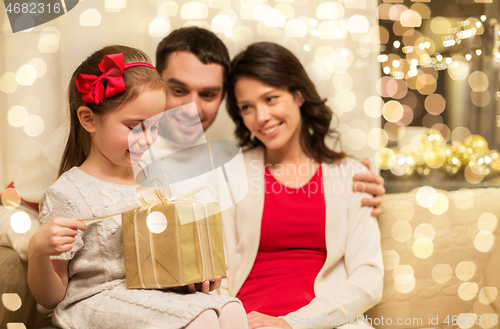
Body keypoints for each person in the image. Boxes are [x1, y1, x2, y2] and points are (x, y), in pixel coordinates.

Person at [0, 27, 385, 264]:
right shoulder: (96, 138)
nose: (190, 107)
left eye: (209, 94)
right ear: (153, 84)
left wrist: (354, 182)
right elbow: (10, 206)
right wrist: (36, 243)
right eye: (177, 89)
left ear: (224, 100)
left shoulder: (217, 158)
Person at [27, 45, 248, 329]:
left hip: (149, 295)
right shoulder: (68, 194)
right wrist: (39, 251)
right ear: (89, 119)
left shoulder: (156, 182)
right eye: (135, 127)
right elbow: (51, 297)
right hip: (93, 302)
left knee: (230, 308)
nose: (146, 139)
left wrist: (193, 275)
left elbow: (161, 264)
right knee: (200, 318)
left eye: (154, 126)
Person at [222, 42, 384, 329]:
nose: (260, 118)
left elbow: (369, 278)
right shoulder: (231, 174)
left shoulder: (352, 176)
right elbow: (215, 274)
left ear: (298, 95)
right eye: (247, 107)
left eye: (270, 99)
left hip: (326, 323)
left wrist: (291, 323)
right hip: (245, 322)